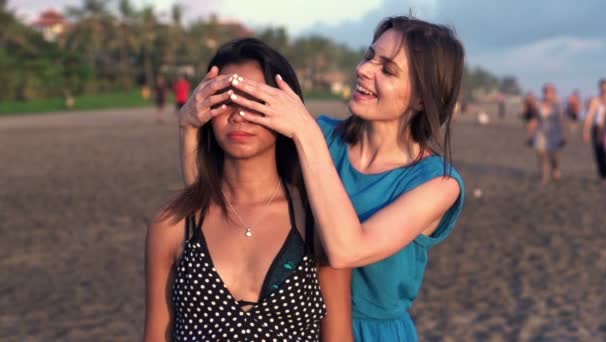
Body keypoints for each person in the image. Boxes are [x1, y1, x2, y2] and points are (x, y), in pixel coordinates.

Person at [180, 16, 465, 341]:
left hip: (373, 333)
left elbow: (347, 249)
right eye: (369, 56)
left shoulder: (438, 184)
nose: (363, 70)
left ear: (421, 100)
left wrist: (305, 132)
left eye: (387, 70)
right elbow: (215, 210)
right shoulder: (322, 137)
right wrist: (189, 127)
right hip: (295, 324)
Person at [144, 38, 353, 341]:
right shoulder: (174, 223)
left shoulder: (319, 222)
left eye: (254, 100)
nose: (238, 114)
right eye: (225, 100)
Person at [528, 83, 566, 184]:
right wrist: (531, 134)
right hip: (540, 132)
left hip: (554, 132)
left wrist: (563, 135)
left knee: (553, 154)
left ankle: (555, 168)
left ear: (554, 93)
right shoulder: (538, 104)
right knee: (540, 153)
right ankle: (545, 175)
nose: (547, 94)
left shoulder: (558, 105)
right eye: (546, 91)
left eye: (550, 92)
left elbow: (561, 121)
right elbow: (534, 120)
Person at [582, 79, 606, 180]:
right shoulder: (596, 101)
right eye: (603, 88)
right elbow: (590, 117)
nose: (605, 90)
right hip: (598, 130)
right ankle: (603, 175)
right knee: (599, 153)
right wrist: (586, 131)